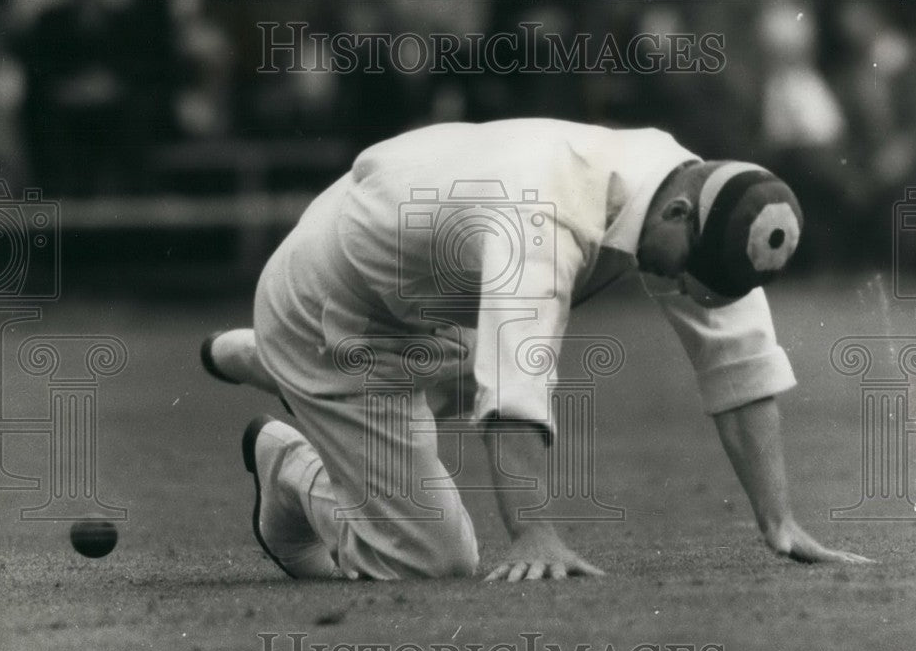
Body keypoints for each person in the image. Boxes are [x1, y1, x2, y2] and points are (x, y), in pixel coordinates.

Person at [200, 119, 873, 581]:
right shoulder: (540, 213)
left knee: (488, 348)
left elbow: (738, 356)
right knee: (431, 561)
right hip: (333, 308)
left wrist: (779, 520)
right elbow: (515, 380)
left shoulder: (688, 187)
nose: (687, 291)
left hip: (424, 306)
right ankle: (290, 460)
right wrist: (532, 531)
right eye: (690, 277)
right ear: (677, 214)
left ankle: (273, 362)